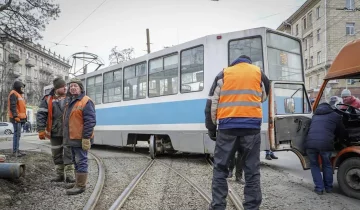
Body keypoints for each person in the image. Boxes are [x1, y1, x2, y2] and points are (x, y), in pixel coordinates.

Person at [205, 55, 269, 210]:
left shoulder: (224, 74)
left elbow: (211, 105)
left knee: (220, 169)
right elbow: (263, 97)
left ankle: (218, 206)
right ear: (249, 63)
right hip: (251, 129)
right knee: (252, 171)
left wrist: (212, 129)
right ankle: (252, 207)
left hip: (227, 129)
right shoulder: (259, 73)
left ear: (234, 63)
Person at [37, 77, 75, 183]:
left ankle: (70, 175)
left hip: (68, 131)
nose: (65, 88)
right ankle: (60, 175)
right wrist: (41, 130)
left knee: (68, 153)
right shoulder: (47, 99)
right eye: (63, 87)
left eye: (65, 86)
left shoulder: (70, 97)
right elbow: (41, 115)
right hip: (54, 132)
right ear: (57, 88)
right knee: (56, 153)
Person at [304, 102, 347, 195]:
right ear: (330, 107)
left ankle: (319, 188)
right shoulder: (336, 115)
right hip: (326, 145)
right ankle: (328, 188)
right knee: (326, 164)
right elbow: (341, 131)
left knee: (314, 165)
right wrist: (341, 141)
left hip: (310, 144)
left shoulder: (315, 116)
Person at [64, 78, 96, 195]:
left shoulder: (86, 101)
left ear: (80, 88)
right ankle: (78, 182)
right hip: (72, 138)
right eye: (71, 86)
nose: (73, 88)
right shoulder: (71, 101)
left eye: (75, 86)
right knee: (75, 161)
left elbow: (90, 121)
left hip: (81, 138)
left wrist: (86, 138)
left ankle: (81, 186)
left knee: (81, 161)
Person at [8, 80, 27, 157]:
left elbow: (21, 107)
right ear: (18, 87)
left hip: (19, 118)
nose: (22, 89)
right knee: (16, 134)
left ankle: (17, 150)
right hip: (16, 118)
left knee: (18, 135)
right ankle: (15, 151)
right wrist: (15, 116)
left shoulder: (18, 94)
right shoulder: (14, 94)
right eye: (21, 87)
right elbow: (13, 106)